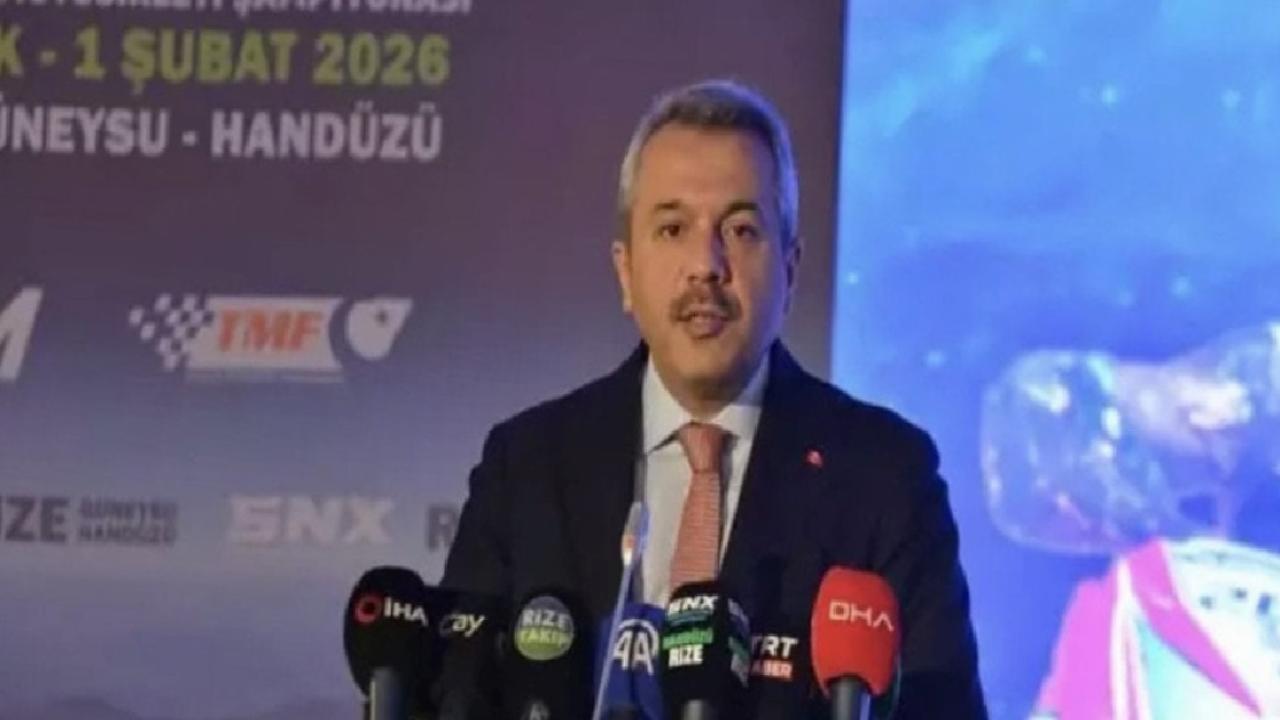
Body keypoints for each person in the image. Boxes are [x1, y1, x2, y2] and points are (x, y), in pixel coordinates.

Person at [442, 79, 987, 718]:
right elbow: (455, 695)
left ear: (790, 270)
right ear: (625, 271)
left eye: (742, 229)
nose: (706, 264)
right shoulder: (528, 466)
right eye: (673, 228)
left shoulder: (885, 477)